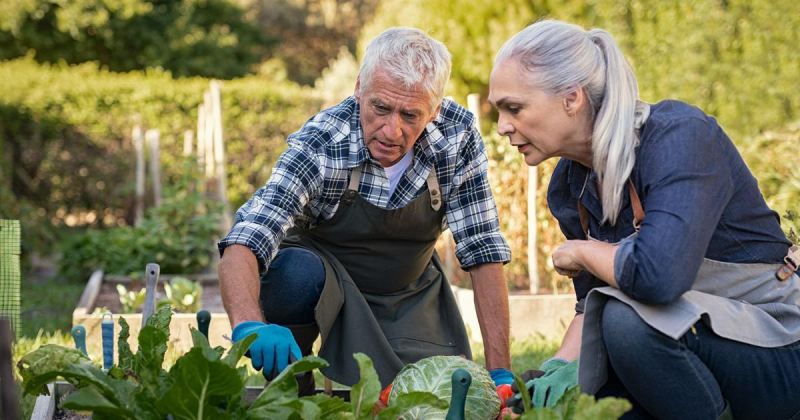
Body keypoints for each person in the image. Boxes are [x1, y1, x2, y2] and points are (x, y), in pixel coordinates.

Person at [488, 19, 800, 419]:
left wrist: (585, 251)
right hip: (684, 345)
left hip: (777, 343)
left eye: (514, 108)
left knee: (625, 321)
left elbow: (659, 276)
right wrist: (553, 375)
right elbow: (592, 307)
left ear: (571, 98)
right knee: (595, 405)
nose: (501, 127)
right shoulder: (569, 187)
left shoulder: (680, 138)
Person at [217, 27, 516, 398]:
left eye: (410, 114)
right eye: (380, 107)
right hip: (326, 283)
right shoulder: (323, 142)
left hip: (409, 289)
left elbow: (482, 247)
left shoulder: (457, 135)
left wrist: (501, 370)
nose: (392, 130)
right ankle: (292, 385)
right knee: (292, 274)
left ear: (435, 110)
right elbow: (248, 236)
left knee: (426, 399)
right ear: (359, 88)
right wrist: (249, 324)